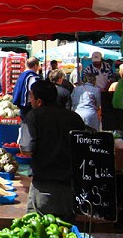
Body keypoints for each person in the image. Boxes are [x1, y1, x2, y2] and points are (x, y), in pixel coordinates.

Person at [20, 81, 85, 221]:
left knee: (39, 227)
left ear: (39, 101)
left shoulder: (34, 116)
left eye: (31, 97)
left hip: (44, 187)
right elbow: (83, 150)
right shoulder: (75, 118)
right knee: (65, 231)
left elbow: (27, 149)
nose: (29, 101)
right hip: (70, 187)